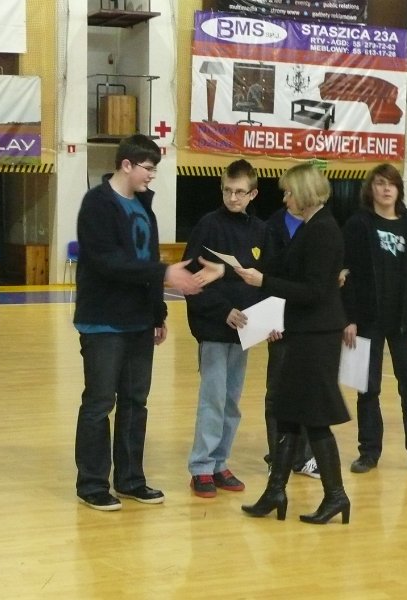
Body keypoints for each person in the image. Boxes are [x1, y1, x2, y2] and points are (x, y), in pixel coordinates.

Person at [73, 133, 209, 511]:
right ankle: (92, 484)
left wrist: (157, 313)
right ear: (126, 165)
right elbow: (108, 262)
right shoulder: (97, 204)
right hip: (103, 323)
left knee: (136, 403)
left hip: (138, 323)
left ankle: (131, 479)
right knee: (100, 403)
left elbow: (146, 261)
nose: (151, 175)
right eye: (148, 169)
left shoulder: (144, 208)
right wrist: (165, 273)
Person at [236, 162, 351, 525]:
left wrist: (263, 282)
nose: (284, 199)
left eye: (288, 192)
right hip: (303, 332)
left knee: (314, 418)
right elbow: (291, 272)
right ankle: (275, 491)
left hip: (317, 336)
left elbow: (313, 291)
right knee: (287, 413)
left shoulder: (323, 230)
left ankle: (336, 495)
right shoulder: (310, 227)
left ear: (303, 193)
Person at [341, 163, 407, 477]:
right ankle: (368, 452)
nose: (386, 189)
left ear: (398, 189)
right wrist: (348, 318)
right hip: (366, 321)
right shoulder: (357, 225)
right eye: (380, 183)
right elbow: (346, 275)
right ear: (370, 189)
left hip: (405, 324)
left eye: (392, 184)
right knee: (367, 389)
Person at [182, 159, 268, 498]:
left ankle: (220, 462)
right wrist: (222, 311)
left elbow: (264, 278)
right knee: (213, 399)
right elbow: (192, 278)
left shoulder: (261, 230)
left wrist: (267, 319)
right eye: (228, 191)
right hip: (214, 329)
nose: (233, 198)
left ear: (253, 194)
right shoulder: (208, 225)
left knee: (232, 401)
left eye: (240, 192)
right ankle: (201, 467)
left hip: (245, 331)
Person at [262, 204, 319, 479]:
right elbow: (263, 275)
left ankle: (303, 457)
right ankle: (278, 457)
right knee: (277, 392)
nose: (288, 197)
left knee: (307, 391)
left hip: (309, 323)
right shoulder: (271, 228)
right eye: (285, 192)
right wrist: (269, 319)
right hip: (279, 325)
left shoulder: (320, 226)